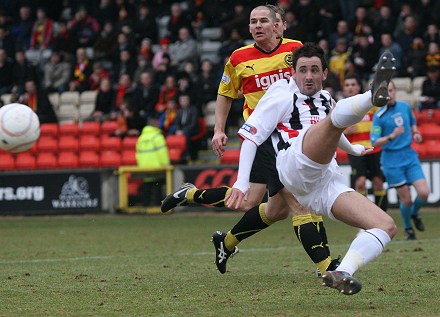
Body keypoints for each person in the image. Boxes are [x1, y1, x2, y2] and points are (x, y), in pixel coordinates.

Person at [162, 5, 339, 278]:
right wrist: (219, 129)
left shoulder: (296, 50)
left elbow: (312, 86)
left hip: (294, 135)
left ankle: (211, 222)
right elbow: (225, 93)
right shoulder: (238, 58)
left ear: (278, 26)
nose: (257, 26)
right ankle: (327, 268)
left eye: (263, 21)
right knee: (300, 202)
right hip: (263, 138)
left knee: (261, 205)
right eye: (253, 22)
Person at [228, 43, 397, 295]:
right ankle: (371, 96)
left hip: (323, 181)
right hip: (292, 162)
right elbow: (251, 137)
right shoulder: (281, 94)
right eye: (303, 70)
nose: (308, 76)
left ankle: (342, 273)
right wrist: (242, 181)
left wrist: (352, 150)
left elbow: (331, 132)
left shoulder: (327, 98)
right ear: (293, 74)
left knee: (385, 225)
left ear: (325, 73)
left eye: (314, 70)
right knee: (330, 123)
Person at [371, 81, 430, 240]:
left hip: (409, 157)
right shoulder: (379, 116)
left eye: (391, 90)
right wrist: (392, 136)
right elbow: (374, 141)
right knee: (407, 199)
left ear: (396, 91)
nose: (389, 94)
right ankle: (408, 228)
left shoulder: (405, 107)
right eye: (386, 91)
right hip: (392, 161)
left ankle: (415, 215)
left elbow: (412, 123)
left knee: (424, 193)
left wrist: (416, 133)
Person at [343, 74, 387, 211]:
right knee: (360, 183)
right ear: (344, 89)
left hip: (374, 149)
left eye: (353, 84)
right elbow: (332, 130)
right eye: (347, 85)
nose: (350, 88)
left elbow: (380, 108)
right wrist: (344, 131)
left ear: (358, 87)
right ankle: (363, 217)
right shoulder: (341, 107)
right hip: (355, 150)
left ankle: (381, 216)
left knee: (378, 183)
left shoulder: (368, 103)